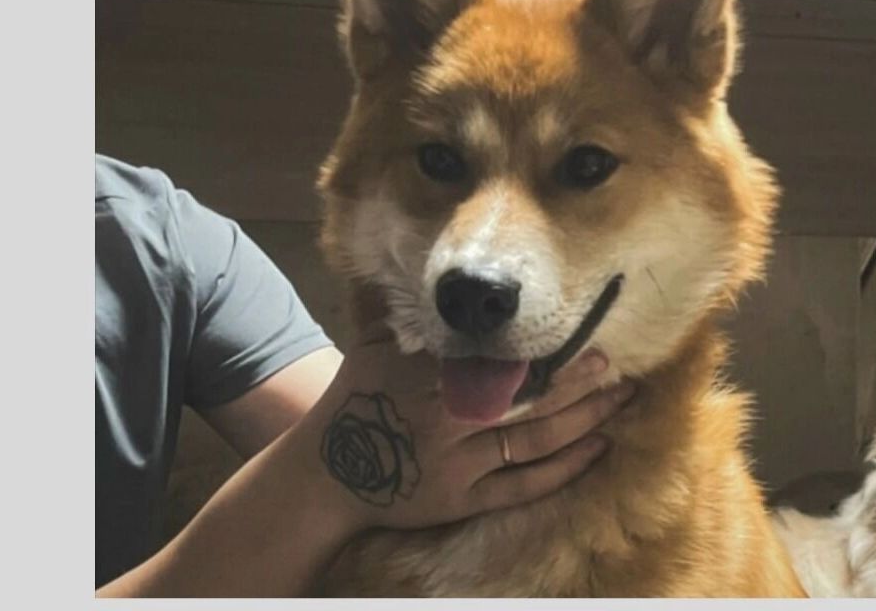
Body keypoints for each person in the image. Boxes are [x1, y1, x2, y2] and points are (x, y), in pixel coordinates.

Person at [95, 155, 633, 597]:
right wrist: (324, 483)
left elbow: (400, 433)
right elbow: (356, 447)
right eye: (442, 163)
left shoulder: (168, 239)